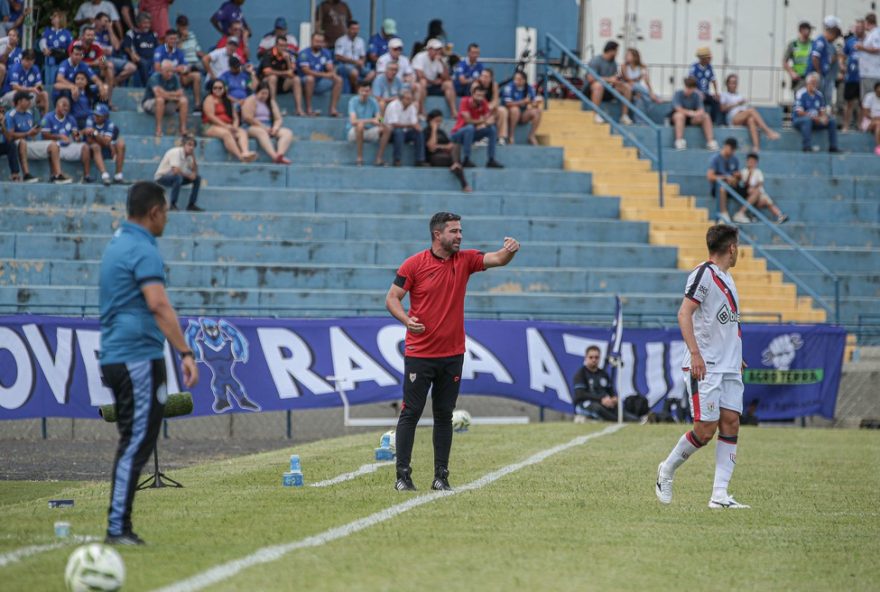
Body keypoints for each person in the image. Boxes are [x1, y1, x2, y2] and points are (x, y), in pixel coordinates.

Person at [386, 212, 519, 491]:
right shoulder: (414, 264)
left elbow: (496, 259)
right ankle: (403, 476)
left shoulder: (466, 260)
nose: (460, 236)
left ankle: (441, 477)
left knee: (444, 415)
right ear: (438, 235)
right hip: (420, 355)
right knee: (411, 413)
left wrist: (509, 252)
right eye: (454, 231)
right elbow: (392, 298)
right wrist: (406, 319)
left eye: (460, 231)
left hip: (452, 355)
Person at [99, 180, 199, 546]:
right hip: (136, 355)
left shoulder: (116, 243)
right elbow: (157, 304)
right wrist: (185, 353)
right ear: (155, 212)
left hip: (117, 353)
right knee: (137, 441)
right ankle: (116, 528)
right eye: (167, 213)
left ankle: (119, 525)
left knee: (135, 439)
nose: (167, 220)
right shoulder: (142, 248)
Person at [655, 224, 749, 510]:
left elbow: (727, 320)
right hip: (706, 366)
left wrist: (737, 352)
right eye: (737, 247)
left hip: (729, 365)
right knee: (705, 431)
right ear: (731, 248)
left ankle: (720, 495)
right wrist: (695, 354)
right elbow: (685, 312)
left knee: (731, 421)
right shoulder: (703, 274)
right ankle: (666, 470)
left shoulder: (728, 278)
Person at [6, 92, 71, 183]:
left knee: (53, 144)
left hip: (30, 143)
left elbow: (31, 132)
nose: (29, 102)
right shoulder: (10, 115)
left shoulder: (29, 113)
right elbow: (10, 135)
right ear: (19, 101)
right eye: (27, 100)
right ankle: (26, 175)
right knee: (22, 142)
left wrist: (35, 131)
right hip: (16, 145)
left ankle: (57, 175)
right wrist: (27, 134)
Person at [572, 346, 644, 422]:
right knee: (598, 409)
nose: (594, 360)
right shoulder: (580, 374)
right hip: (586, 404)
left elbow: (611, 391)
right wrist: (601, 399)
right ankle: (617, 421)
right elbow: (580, 394)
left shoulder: (603, 374)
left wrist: (613, 399)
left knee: (618, 409)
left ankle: (639, 421)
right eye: (591, 357)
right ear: (586, 358)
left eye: (596, 357)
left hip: (605, 403)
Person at [720, 74, 780, 151]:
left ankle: (756, 147)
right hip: (733, 117)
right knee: (751, 111)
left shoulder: (740, 96)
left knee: (751, 120)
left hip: (743, 115)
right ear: (727, 84)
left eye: (735, 83)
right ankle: (768, 131)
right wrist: (737, 104)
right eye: (731, 83)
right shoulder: (724, 95)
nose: (733, 85)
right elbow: (722, 108)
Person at [41, 95, 93, 183]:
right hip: (54, 146)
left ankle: (86, 176)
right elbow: (44, 135)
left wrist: (82, 133)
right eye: (63, 105)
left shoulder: (71, 118)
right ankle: (55, 175)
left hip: (67, 145)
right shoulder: (48, 117)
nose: (66, 108)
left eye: (68, 106)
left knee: (85, 147)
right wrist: (59, 136)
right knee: (53, 147)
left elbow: (76, 136)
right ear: (57, 106)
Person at [201, 79, 256, 162]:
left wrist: (235, 126)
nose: (217, 90)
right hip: (210, 126)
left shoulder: (227, 100)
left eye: (220, 88)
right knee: (226, 134)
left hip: (228, 125)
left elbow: (235, 117)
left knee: (242, 132)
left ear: (224, 89)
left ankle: (245, 152)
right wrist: (226, 126)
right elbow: (210, 116)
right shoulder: (209, 99)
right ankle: (240, 157)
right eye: (215, 88)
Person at [451, 84, 503, 168]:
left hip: (473, 134)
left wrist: (488, 120)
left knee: (492, 129)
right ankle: (466, 159)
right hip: (457, 134)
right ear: (472, 94)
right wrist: (483, 121)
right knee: (470, 128)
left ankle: (491, 160)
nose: (480, 98)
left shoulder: (484, 102)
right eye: (478, 95)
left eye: (482, 96)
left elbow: (490, 119)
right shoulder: (465, 101)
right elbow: (468, 121)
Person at [240, 82, 293, 164]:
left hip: (269, 125)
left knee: (287, 133)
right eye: (262, 93)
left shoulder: (271, 102)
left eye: (266, 93)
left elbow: (278, 118)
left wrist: (275, 128)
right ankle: (274, 156)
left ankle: (280, 154)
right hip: (252, 126)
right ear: (257, 92)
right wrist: (263, 127)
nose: (264, 96)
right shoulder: (251, 99)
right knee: (261, 132)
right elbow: (247, 117)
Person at [731, 152, 788, 224]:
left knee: (765, 199)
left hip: (758, 195)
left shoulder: (758, 172)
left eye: (753, 162)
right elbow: (742, 183)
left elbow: (760, 183)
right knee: (762, 197)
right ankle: (742, 213)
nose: (751, 163)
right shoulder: (744, 171)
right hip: (749, 194)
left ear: (756, 163)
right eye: (749, 161)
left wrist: (753, 185)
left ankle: (779, 215)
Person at [153, 28, 202, 110]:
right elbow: (157, 68)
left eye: (175, 39)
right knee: (174, 76)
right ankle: (176, 104)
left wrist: (184, 69)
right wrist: (175, 69)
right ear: (166, 39)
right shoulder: (159, 50)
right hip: (163, 78)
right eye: (171, 39)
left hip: (177, 77)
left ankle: (197, 104)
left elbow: (186, 67)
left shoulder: (179, 52)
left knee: (196, 75)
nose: (173, 41)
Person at [424, 109, 470, 192]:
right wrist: (434, 130)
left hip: (446, 156)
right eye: (436, 121)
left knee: (457, 146)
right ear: (430, 120)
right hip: (434, 157)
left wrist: (441, 147)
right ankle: (463, 181)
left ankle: (464, 185)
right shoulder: (426, 131)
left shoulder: (441, 132)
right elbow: (431, 148)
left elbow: (450, 145)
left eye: (440, 121)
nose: (438, 123)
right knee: (455, 163)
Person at [587, 41, 633, 125]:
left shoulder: (614, 63)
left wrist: (618, 81)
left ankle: (624, 116)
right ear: (611, 51)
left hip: (607, 89)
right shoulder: (596, 60)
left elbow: (613, 79)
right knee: (598, 85)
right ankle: (595, 114)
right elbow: (591, 78)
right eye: (617, 51)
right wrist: (609, 79)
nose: (617, 53)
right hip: (591, 90)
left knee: (626, 87)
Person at [377, 88, 426, 167]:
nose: (410, 101)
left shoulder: (411, 107)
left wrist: (417, 126)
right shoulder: (393, 105)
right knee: (399, 132)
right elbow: (393, 124)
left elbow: (414, 123)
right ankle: (397, 159)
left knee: (419, 132)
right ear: (401, 99)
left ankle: (420, 160)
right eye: (407, 99)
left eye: (410, 99)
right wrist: (411, 125)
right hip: (390, 133)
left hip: (405, 131)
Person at [793, 72, 840, 153]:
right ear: (807, 83)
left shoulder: (819, 95)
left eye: (816, 83)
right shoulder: (801, 93)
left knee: (831, 121)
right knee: (807, 120)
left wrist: (824, 118)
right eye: (812, 82)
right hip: (800, 121)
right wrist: (815, 118)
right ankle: (806, 147)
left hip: (815, 121)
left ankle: (833, 147)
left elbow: (822, 111)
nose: (814, 85)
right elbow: (799, 112)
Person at [298, 33, 342, 117]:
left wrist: (331, 70)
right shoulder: (304, 53)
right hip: (305, 83)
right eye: (317, 41)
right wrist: (325, 75)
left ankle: (333, 109)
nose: (319, 44)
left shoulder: (326, 53)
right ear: (311, 41)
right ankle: (309, 109)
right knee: (310, 79)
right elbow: (306, 71)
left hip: (320, 82)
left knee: (338, 79)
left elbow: (331, 69)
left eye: (321, 42)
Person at [83, 102, 127, 184]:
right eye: (95, 114)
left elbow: (106, 142)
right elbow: (89, 140)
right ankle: (105, 175)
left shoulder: (110, 124)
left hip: (106, 150)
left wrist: (95, 133)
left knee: (121, 143)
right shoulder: (90, 119)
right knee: (96, 146)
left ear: (105, 117)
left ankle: (118, 176)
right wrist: (104, 141)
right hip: (92, 151)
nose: (96, 117)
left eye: (99, 115)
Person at [154, 134, 202, 211]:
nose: (191, 148)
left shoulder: (189, 156)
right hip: (162, 177)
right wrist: (189, 176)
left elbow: (194, 171)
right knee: (178, 177)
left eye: (193, 146)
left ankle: (191, 204)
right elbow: (175, 171)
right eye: (189, 145)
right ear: (184, 145)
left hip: (176, 177)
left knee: (197, 178)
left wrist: (193, 156)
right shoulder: (176, 152)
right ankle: (172, 204)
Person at [143, 60, 189, 137]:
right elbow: (158, 94)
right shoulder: (154, 78)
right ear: (161, 70)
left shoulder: (175, 77)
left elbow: (181, 93)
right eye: (167, 71)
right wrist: (174, 95)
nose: (170, 74)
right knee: (160, 100)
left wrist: (165, 93)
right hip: (151, 103)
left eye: (172, 71)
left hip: (167, 103)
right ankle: (158, 129)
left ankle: (183, 129)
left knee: (184, 101)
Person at [258, 35, 302, 114]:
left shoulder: (291, 55)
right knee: (273, 77)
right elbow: (267, 71)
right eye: (281, 45)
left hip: (283, 84)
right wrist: (285, 73)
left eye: (285, 46)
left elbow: (292, 73)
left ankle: (298, 109)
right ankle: (273, 107)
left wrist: (288, 60)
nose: (283, 48)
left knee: (296, 79)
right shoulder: (268, 54)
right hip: (267, 85)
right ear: (276, 45)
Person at [671, 76, 717, 151]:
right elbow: (677, 108)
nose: (687, 90)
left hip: (692, 118)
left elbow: (701, 110)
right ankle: (679, 141)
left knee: (706, 116)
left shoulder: (696, 95)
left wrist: (696, 114)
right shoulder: (678, 93)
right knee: (679, 116)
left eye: (690, 88)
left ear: (694, 88)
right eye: (686, 87)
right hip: (678, 118)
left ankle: (710, 141)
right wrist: (690, 113)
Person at [412, 38, 456, 117]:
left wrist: (442, 62)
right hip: (423, 85)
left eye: (439, 50)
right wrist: (433, 82)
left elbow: (447, 78)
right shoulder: (420, 57)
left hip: (432, 85)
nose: (437, 52)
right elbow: (420, 75)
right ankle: (421, 111)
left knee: (448, 84)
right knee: (423, 82)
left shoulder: (438, 59)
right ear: (429, 49)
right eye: (435, 49)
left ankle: (453, 112)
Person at [93, 12, 137, 88]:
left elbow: (116, 47)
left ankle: (114, 82)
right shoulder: (90, 32)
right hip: (100, 58)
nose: (106, 24)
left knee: (132, 68)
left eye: (108, 21)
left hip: (110, 58)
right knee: (110, 66)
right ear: (97, 21)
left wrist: (110, 29)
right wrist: (101, 50)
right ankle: (108, 93)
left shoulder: (108, 33)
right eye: (105, 21)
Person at [1, 49, 48, 116]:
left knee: (44, 94)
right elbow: (15, 87)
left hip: (27, 95)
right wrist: (31, 89)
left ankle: (44, 120)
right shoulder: (16, 67)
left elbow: (39, 85)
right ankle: (18, 118)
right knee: (19, 95)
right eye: (27, 59)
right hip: (10, 94)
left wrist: (38, 89)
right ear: (22, 59)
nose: (29, 62)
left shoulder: (35, 68)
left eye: (31, 60)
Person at [806, 17, 842, 106]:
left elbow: (827, 60)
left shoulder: (828, 44)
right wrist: (819, 72)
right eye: (835, 36)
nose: (834, 39)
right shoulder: (820, 41)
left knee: (823, 99)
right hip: (816, 76)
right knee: (816, 99)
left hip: (824, 76)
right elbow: (815, 58)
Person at [500, 70, 542, 145]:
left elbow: (533, 101)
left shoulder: (529, 88)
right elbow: (508, 104)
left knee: (538, 111)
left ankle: (531, 136)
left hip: (522, 115)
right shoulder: (509, 87)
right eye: (515, 79)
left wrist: (535, 103)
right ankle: (511, 136)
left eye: (518, 79)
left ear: (523, 80)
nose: (516, 81)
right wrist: (523, 102)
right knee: (515, 110)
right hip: (509, 115)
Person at [346, 80, 382, 165]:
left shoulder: (374, 101)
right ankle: (359, 158)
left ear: (370, 92)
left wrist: (380, 121)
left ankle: (379, 158)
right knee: (360, 126)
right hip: (354, 132)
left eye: (367, 91)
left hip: (369, 130)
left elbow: (380, 118)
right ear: (358, 91)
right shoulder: (352, 101)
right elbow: (353, 121)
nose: (364, 93)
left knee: (387, 128)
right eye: (362, 91)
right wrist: (372, 120)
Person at [707, 137, 741, 223]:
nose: (733, 151)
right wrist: (725, 177)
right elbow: (710, 176)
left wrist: (737, 177)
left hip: (732, 186)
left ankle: (742, 213)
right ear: (726, 146)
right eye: (731, 148)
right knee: (722, 188)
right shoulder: (716, 159)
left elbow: (736, 174)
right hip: (718, 187)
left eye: (734, 149)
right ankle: (723, 213)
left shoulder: (734, 159)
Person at [335, 20, 372, 93]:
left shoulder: (360, 41)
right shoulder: (341, 40)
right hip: (345, 65)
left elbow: (363, 56)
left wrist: (362, 62)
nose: (355, 31)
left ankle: (362, 85)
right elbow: (338, 57)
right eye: (353, 29)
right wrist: (354, 62)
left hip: (358, 65)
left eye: (357, 29)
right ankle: (356, 91)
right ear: (348, 29)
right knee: (354, 73)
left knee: (373, 73)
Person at [472, 69, 508, 145]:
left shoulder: (494, 85)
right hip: (478, 109)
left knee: (502, 110)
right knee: (483, 113)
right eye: (482, 76)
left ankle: (501, 137)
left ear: (491, 78)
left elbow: (496, 100)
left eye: (486, 76)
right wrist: (487, 108)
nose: (483, 78)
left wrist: (489, 107)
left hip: (490, 108)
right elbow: (476, 101)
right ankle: (482, 137)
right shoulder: (475, 85)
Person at [841, 20, 865, 131]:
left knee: (862, 104)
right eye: (856, 27)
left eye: (860, 27)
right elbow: (842, 55)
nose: (858, 29)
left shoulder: (868, 41)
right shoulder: (850, 41)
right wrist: (842, 66)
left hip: (864, 77)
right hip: (851, 77)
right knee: (849, 103)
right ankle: (846, 125)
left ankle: (860, 125)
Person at [122, 12, 157, 85]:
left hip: (152, 59)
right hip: (138, 59)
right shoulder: (131, 33)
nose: (147, 25)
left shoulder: (153, 34)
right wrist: (132, 54)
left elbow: (158, 48)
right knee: (144, 63)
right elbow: (126, 47)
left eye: (148, 23)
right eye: (144, 23)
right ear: (138, 23)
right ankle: (147, 86)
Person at [690, 46, 720, 124]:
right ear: (702, 58)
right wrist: (697, 92)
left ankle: (712, 122)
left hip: (705, 93)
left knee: (715, 102)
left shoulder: (709, 67)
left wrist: (716, 93)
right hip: (696, 93)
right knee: (696, 101)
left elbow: (713, 80)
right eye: (708, 58)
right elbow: (691, 83)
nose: (710, 59)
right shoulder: (694, 67)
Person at [783, 21, 814, 97]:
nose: (810, 32)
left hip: (811, 78)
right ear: (801, 30)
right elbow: (784, 61)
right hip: (798, 78)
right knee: (798, 99)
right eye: (808, 29)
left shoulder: (813, 44)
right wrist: (791, 73)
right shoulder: (793, 44)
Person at [856, 14, 880, 102]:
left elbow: (877, 48)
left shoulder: (876, 33)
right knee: (865, 100)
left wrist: (862, 48)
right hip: (867, 73)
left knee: (870, 100)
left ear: (867, 22)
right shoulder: (871, 34)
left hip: (872, 73)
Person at [0, 102, 25, 181]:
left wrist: (2, 125)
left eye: (2, 112)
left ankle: (15, 174)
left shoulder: (4, 121)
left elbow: (9, 138)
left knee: (11, 145)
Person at [861, 81, 880, 154]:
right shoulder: (869, 96)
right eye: (878, 91)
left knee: (878, 125)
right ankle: (878, 147)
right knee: (878, 124)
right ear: (875, 90)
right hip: (868, 121)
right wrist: (875, 118)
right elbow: (865, 113)